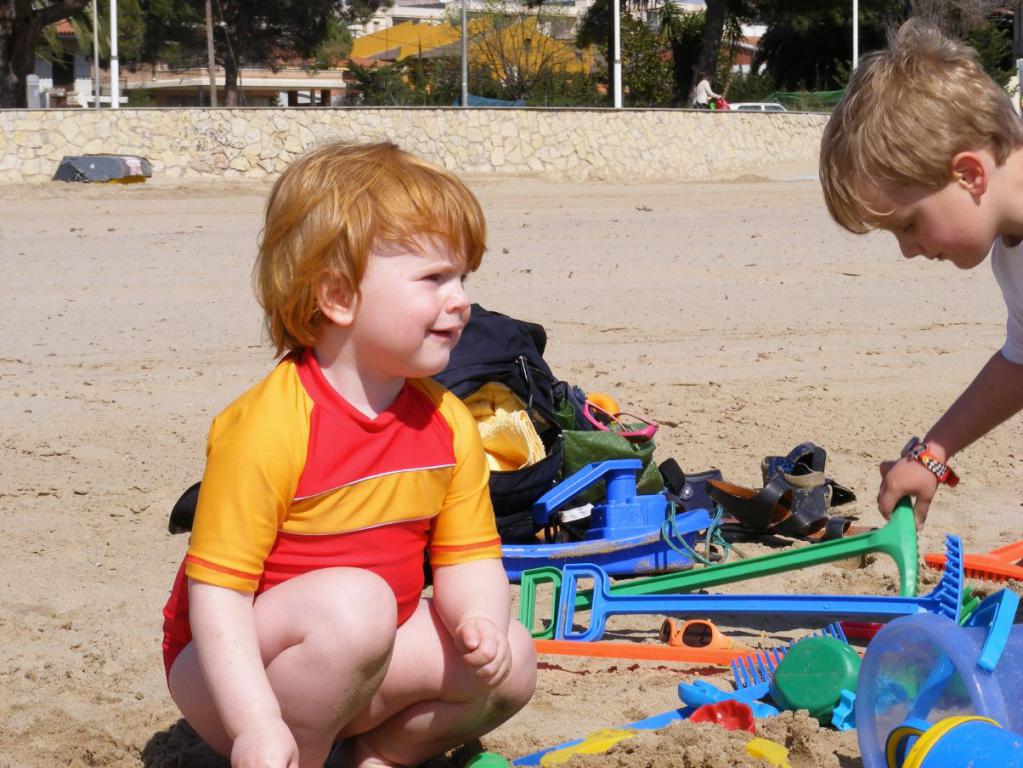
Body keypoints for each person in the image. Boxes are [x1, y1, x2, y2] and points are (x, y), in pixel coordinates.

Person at [161, 141, 537, 768]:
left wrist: (479, 622)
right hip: (229, 671)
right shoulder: (270, 425)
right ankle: (297, 755)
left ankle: (377, 755)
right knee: (355, 604)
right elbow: (218, 596)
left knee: (514, 659)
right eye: (433, 278)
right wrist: (255, 724)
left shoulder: (447, 422)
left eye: (462, 278)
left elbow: (469, 557)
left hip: (362, 656)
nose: (461, 300)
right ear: (338, 297)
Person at [819, 19, 1023, 529]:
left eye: (909, 224)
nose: (909, 251)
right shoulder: (1011, 255)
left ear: (969, 175)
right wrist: (933, 453)